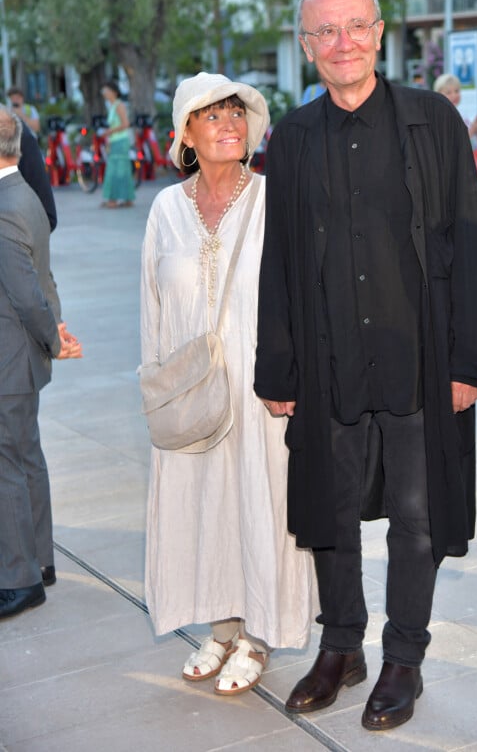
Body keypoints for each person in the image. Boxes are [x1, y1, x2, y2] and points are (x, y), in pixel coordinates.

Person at [254, 0, 477, 732]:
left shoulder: (432, 122)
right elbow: (281, 261)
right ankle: (341, 647)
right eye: (324, 33)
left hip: (418, 362)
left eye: (354, 27)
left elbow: (467, 242)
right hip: (329, 365)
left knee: (417, 519)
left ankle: (403, 657)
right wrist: (278, 364)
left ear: (381, 33)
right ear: (305, 48)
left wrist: (468, 363)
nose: (341, 43)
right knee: (331, 512)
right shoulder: (291, 139)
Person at [140, 73, 314, 696]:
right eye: (212, 115)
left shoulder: (275, 197)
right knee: (203, 502)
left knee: (258, 503)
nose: (229, 124)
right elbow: (152, 306)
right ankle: (221, 625)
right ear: (185, 133)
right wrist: (160, 385)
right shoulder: (165, 208)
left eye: (236, 114)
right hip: (194, 389)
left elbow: (302, 294)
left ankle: (258, 634)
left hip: (263, 387)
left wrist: (294, 376)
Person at [0, 107, 82, 620]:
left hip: (9, 357)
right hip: (20, 355)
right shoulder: (23, 193)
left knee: (7, 465)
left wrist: (53, 337)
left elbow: (28, 294)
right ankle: (41, 560)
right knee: (26, 457)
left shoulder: (4, 205)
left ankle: (18, 577)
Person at [433, 73, 477, 150]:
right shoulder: (438, 118)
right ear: (438, 95)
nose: (454, 95)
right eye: (448, 92)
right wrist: (473, 130)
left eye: (457, 91)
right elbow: (451, 148)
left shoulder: (463, 116)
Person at [100, 81, 135, 208]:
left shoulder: (119, 105)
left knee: (116, 170)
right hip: (115, 141)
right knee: (120, 169)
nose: (104, 94)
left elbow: (126, 124)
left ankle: (114, 199)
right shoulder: (112, 106)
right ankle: (125, 198)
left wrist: (109, 132)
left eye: (106, 91)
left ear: (114, 92)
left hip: (120, 141)